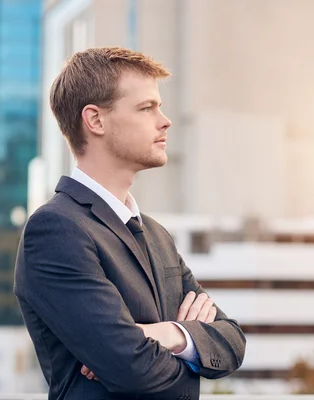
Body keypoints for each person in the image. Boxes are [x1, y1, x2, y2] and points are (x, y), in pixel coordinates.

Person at [14, 47, 246, 400]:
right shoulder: (55, 230)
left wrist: (166, 333)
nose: (164, 120)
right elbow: (134, 372)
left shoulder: (155, 234)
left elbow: (232, 341)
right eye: (146, 108)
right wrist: (190, 341)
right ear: (96, 120)